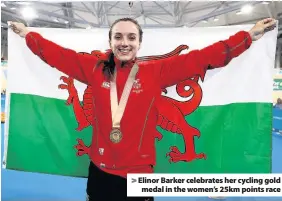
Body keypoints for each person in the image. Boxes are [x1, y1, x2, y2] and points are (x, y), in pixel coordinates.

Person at [9, 17, 276, 201]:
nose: (124, 42)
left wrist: (248, 36)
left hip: (139, 176)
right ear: (111, 41)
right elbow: (56, 55)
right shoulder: (94, 69)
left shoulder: (155, 72)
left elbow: (204, 58)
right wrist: (27, 35)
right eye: (118, 37)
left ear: (139, 43)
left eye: (131, 37)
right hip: (99, 171)